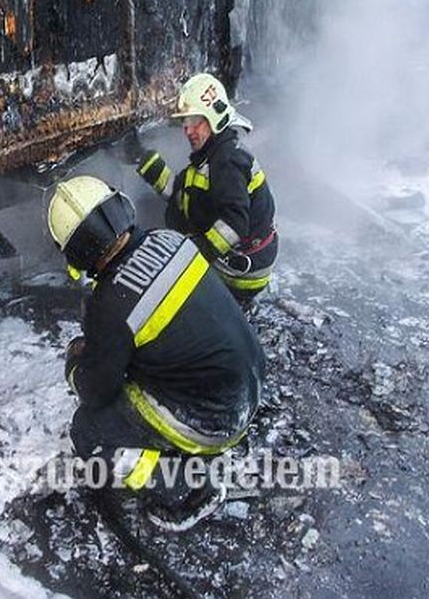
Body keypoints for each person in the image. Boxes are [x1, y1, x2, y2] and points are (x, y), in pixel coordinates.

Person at [47, 175, 266, 530]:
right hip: (251, 381)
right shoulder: (169, 239)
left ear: (75, 251)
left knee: (88, 431)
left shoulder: (110, 304)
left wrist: (76, 361)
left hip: (216, 421)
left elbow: (96, 391)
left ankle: (189, 488)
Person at [137, 72, 277, 305]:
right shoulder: (212, 157)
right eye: (185, 122)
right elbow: (182, 194)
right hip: (246, 260)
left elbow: (234, 225)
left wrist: (192, 253)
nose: (188, 130)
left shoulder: (226, 162)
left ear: (214, 118)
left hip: (240, 276)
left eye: (195, 121)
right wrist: (144, 161)